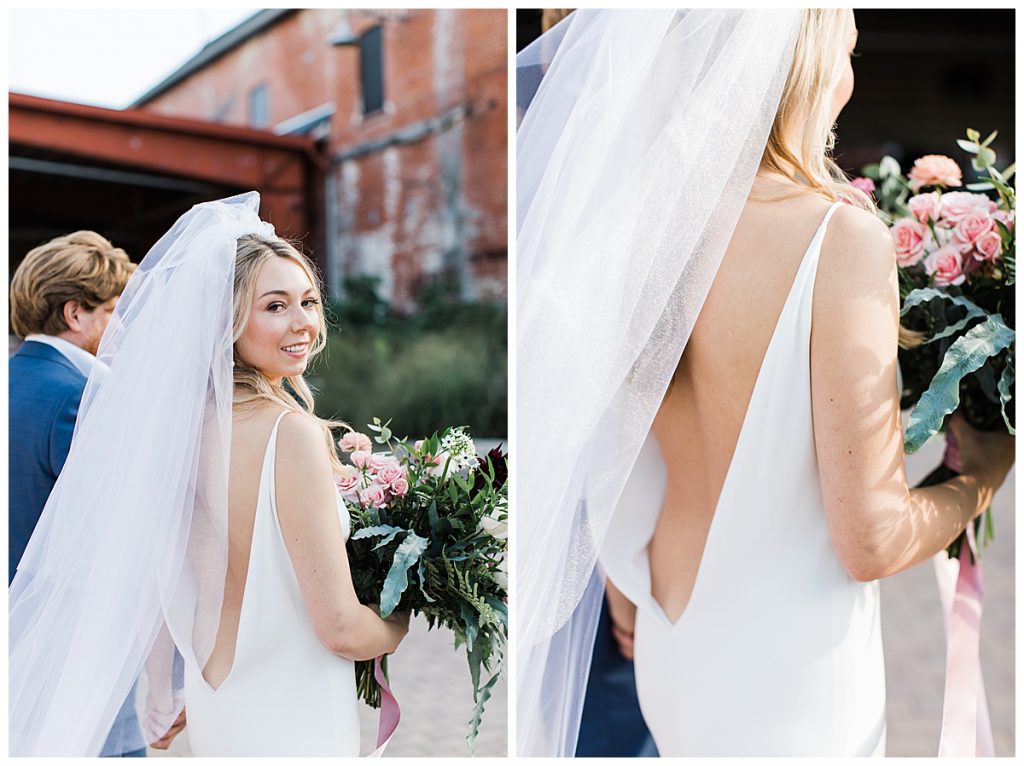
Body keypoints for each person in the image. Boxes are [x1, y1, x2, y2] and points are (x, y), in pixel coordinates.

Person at [515, 9, 1014, 757]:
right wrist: (982, 473)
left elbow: (612, 456)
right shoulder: (838, 238)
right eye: (847, 48)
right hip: (792, 667)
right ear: (805, 62)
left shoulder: (638, 238)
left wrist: (623, 598)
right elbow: (871, 540)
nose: (851, 72)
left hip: (667, 632)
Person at [9, 193, 410, 756]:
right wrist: (401, 613)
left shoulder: (173, 432)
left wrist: (159, 687)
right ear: (227, 319)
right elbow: (341, 628)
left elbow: (153, 568)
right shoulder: (289, 434)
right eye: (274, 306)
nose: (302, 323)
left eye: (309, 301)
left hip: (215, 690)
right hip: (290, 697)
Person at [8, 231, 144, 757]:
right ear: (75, 314)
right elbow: (112, 531)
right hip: (69, 641)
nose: (118, 326)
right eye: (110, 310)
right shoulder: (79, 400)